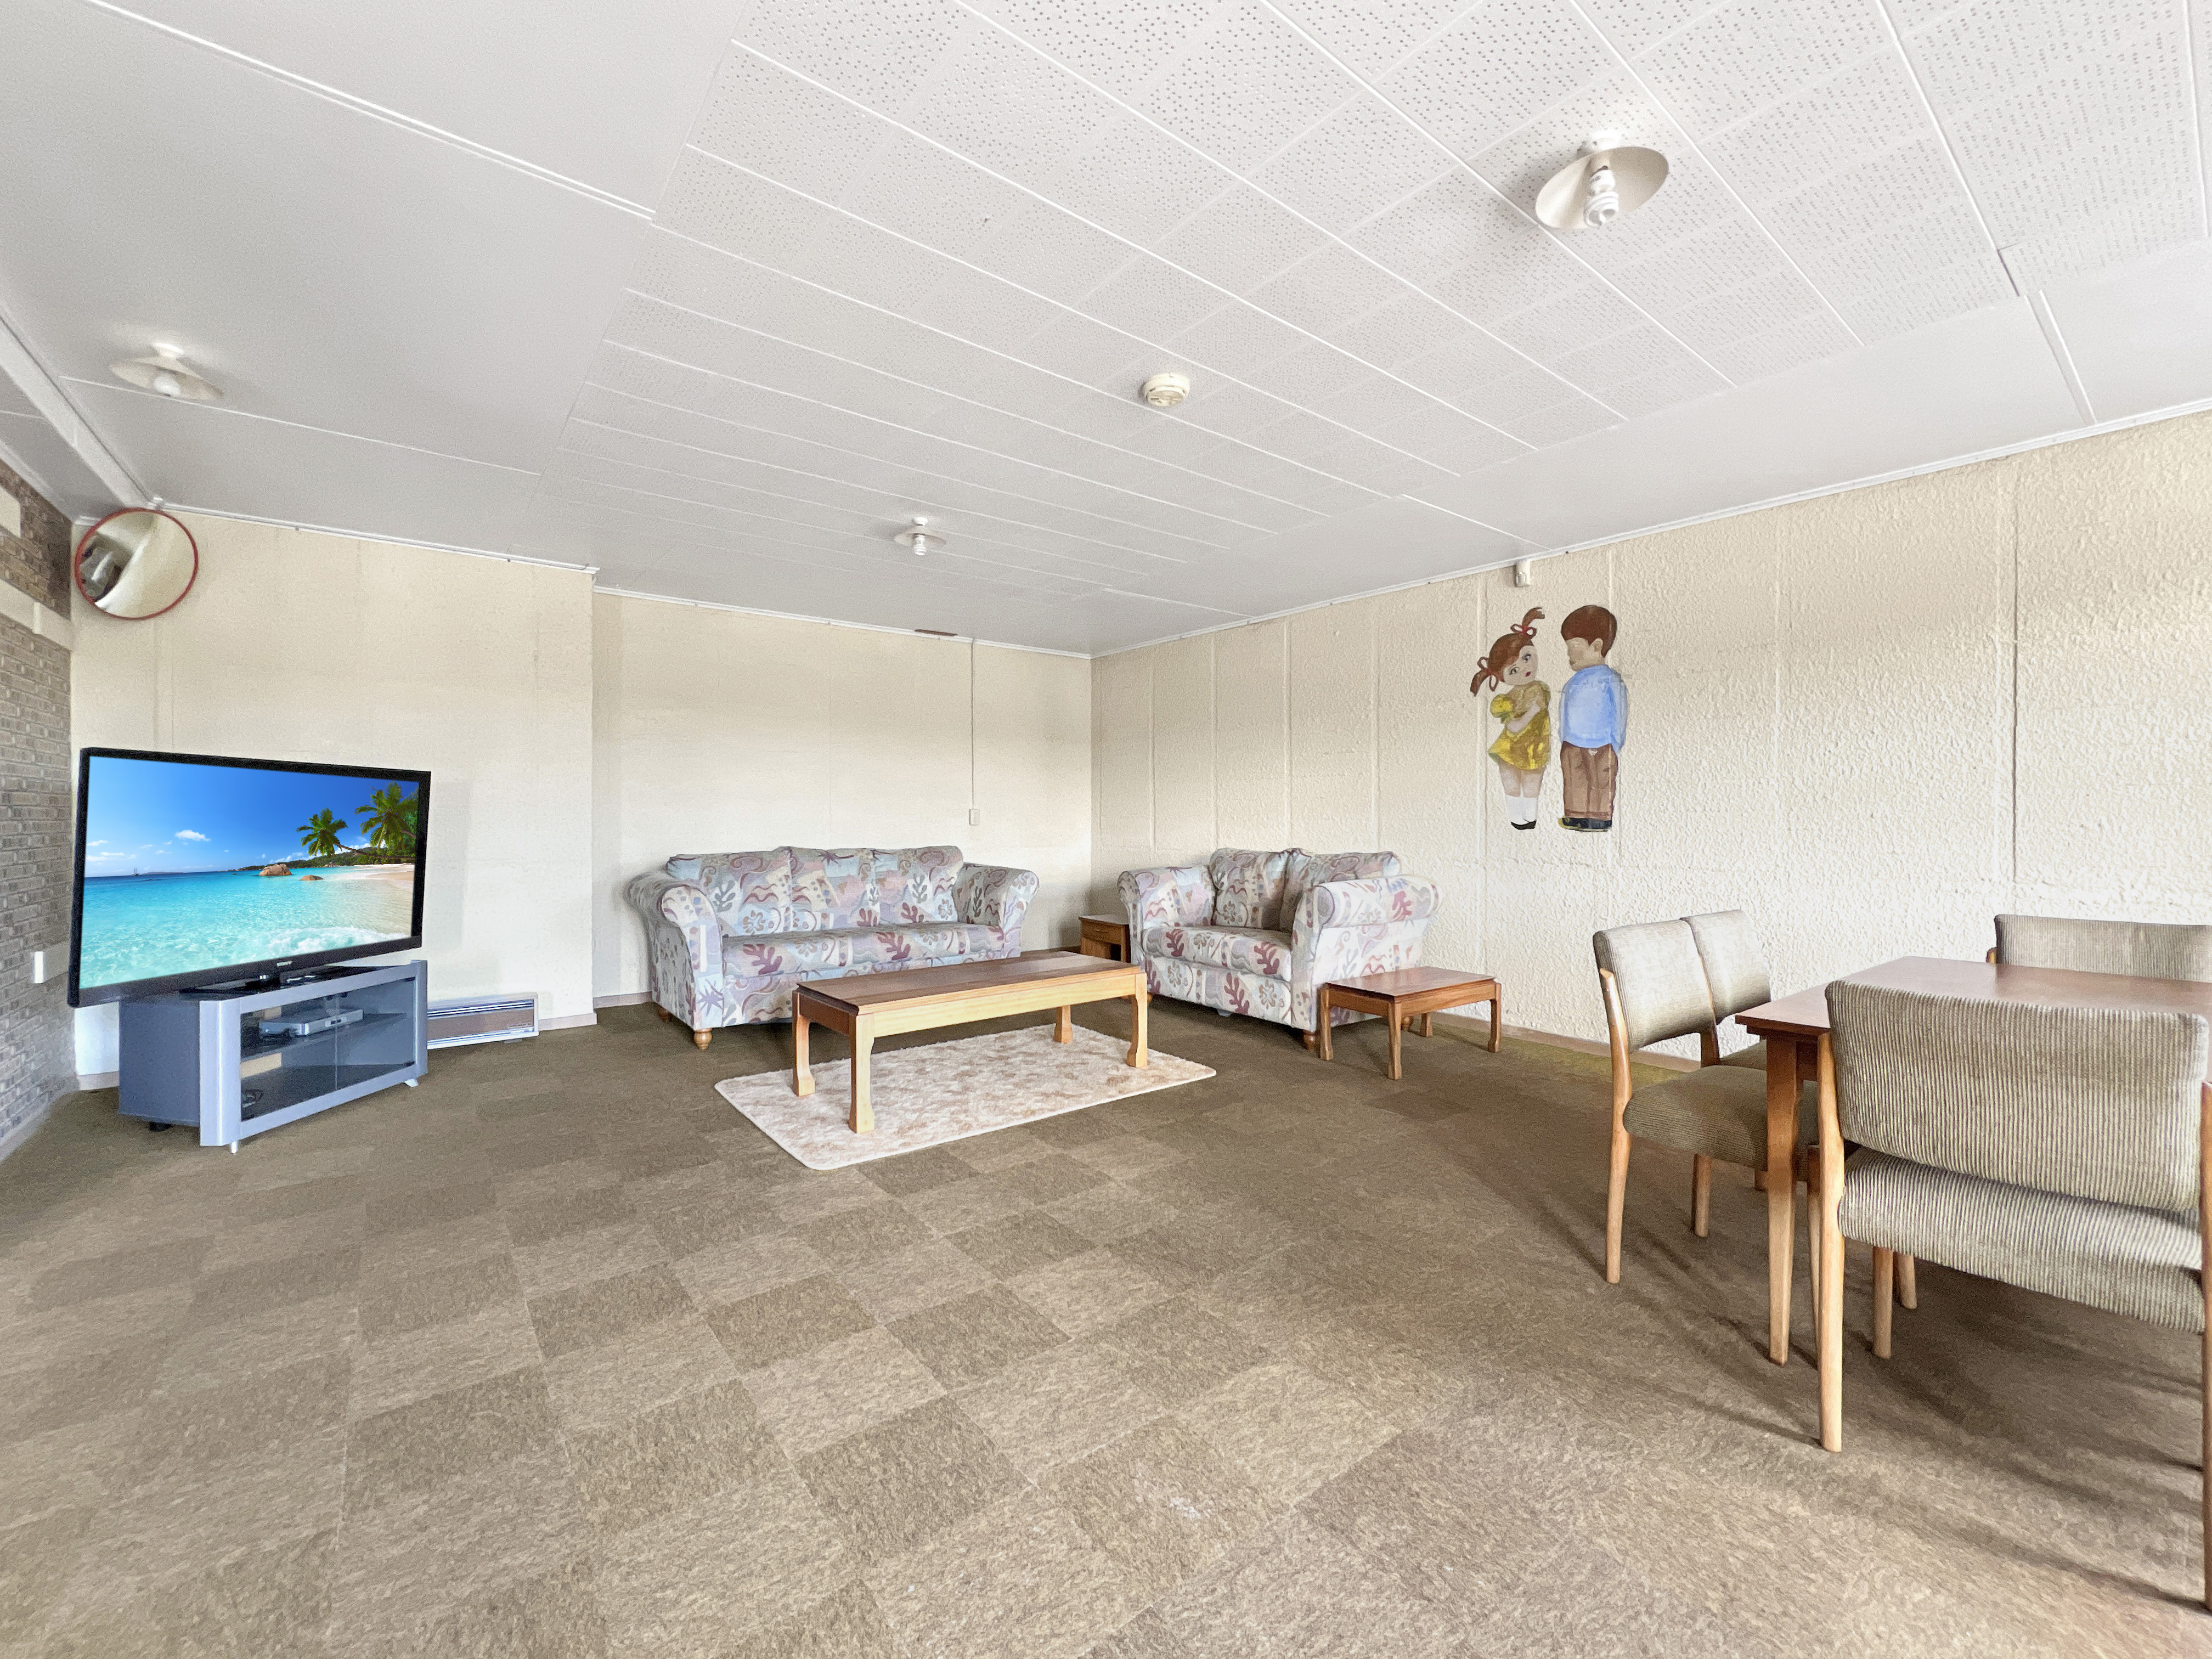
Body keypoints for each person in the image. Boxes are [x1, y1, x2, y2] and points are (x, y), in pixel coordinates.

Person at [1470, 607, 1550, 829]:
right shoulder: (1506, 699)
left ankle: (1529, 819)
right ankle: (1517, 819)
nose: (1524, 669)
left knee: (1532, 784)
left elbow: (1531, 714)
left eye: (1527, 658)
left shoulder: (1540, 689)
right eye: (1513, 671)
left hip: (1534, 749)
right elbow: (1514, 727)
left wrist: (1530, 714)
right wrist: (1530, 713)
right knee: (1511, 783)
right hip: (1510, 748)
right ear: (1503, 678)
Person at [1556, 603, 1626, 832]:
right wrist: (1564, 738)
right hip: (1572, 742)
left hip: (1601, 742)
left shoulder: (1611, 680)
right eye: (1568, 647)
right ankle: (1575, 815)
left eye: (1575, 646)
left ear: (1596, 646)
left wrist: (1616, 742)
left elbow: (1620, 711)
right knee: (1574, 780)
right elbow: (1564, 710)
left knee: (1601, 781)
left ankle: (1599, 817)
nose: (1569, 654)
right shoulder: (1572, 683)